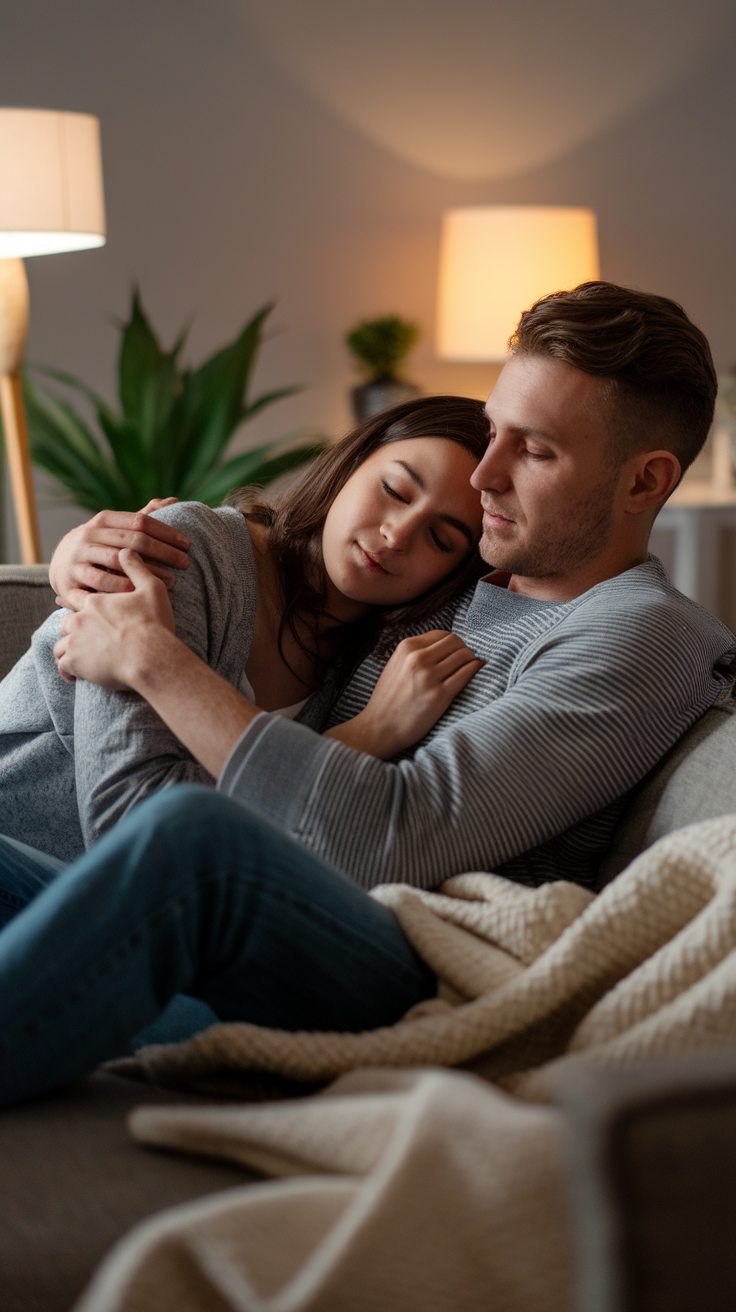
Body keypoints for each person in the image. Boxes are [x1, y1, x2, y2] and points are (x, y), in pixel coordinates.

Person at [0, 280, 734, 1108]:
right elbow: (297, 565)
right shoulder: (473, 579)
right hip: (284, 928)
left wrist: (153, 659)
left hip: (409, 962)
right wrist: (95, 554)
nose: (486, 476)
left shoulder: (640, 634)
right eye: (494, 432)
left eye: (535, 451)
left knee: (191, 838)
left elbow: (393, 838)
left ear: (646, 483)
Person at [0, 395, 488, 866]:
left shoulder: (372, 669)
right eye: (395, 491)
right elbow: (133, 833)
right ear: (352, 462)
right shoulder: (184, 552)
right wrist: (364, 736)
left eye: (440, 539)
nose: (397, 534)